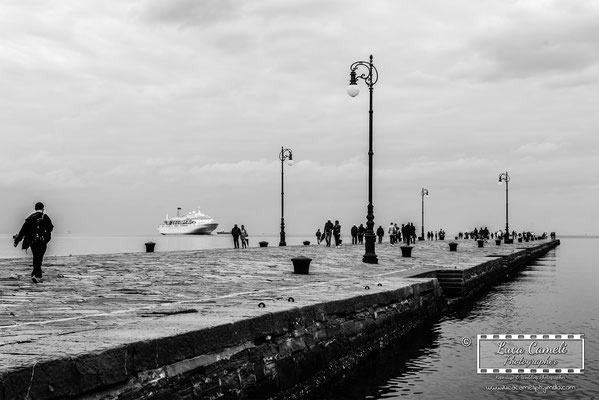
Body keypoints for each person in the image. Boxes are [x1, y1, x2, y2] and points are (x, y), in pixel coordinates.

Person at [14, 202, 54, 283]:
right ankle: (35, 274)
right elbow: (51, 227)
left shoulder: (30, 218)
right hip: (42, 241)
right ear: (43, 208)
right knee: (39, 258)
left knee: (36, 257)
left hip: (33, 242)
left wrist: (17, 241)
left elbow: (23, 230)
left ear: (35, 208)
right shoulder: (45, 217)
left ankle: (37, 274)